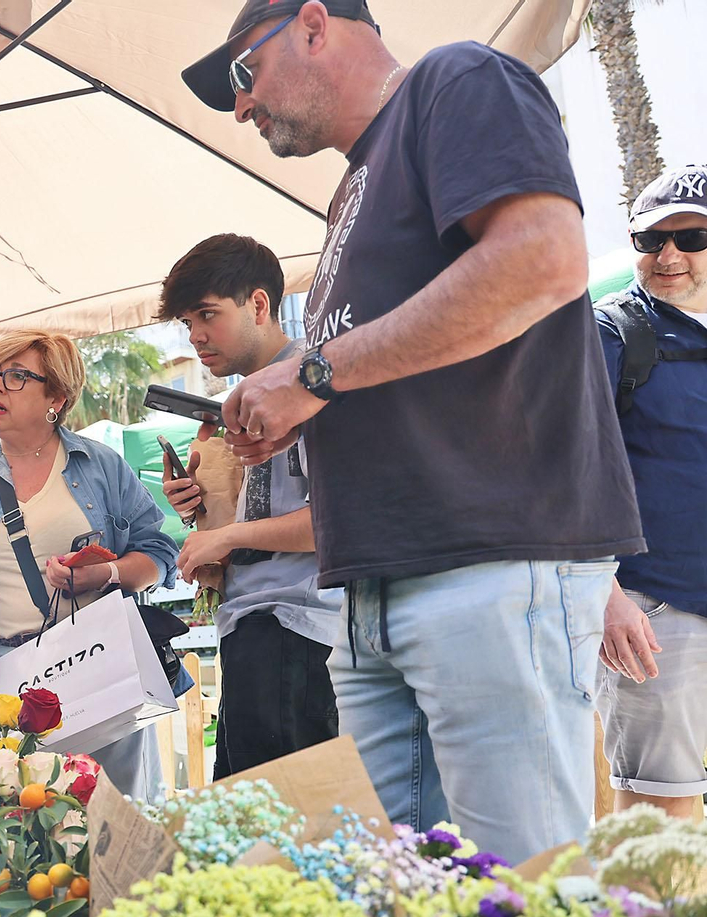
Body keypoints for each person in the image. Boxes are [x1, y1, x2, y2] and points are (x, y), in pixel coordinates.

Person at [181, 0, 643, 862]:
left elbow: (544, 258)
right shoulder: (350, 191)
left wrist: (315, 373)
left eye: (246, 72)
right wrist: (306, 414)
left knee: (527, 900)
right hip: (372, 601)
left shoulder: (455, 81)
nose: (242, 106)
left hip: (485, 573)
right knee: (398, 908)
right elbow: (400, 363)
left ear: (315, 25)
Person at [0, 330, 180, 800]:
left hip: (95, 669)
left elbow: (158, 554)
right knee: (6, 829)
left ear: (57, 397)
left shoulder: (101, 466)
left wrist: (103, 573)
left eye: (16, 376)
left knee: (107, 818)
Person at [159, 234, 342, 776]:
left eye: (207, 315)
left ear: (259, 305)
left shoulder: (312, 385)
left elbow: (335, 520)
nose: (195, 336)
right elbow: (267, 507)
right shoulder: (247, 397)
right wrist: (203, 510)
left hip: (301, 626)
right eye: (187, 323)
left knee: (284, 838)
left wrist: (228, 537)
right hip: (255, 625)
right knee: (251, 837)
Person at [593, 164, 707, 819]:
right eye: (650, 238)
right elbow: (564, 468)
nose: (668, 255)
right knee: (656, 817)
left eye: (691, 238)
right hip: (654, 612)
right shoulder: (613, 334)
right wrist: (605, 595)